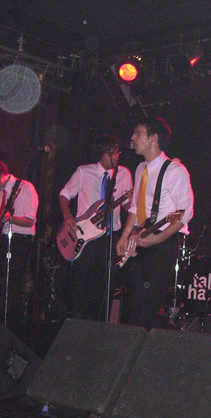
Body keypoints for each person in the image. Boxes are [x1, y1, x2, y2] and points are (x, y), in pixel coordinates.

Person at [116, 117, 194, 329]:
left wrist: (157, 239)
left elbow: (185, 213)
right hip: (140, 241)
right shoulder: (140, 168)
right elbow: (135, 208)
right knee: (135, 304)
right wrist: (124, 236)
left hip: (162, 244)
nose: (132, 137)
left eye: (138, 133)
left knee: (148, 305)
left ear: (153, 138)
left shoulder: (175, 171)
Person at [59, 134, 133, 320]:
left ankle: (100, 327)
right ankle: (79, 325)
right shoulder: (83, 172)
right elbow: (64, 194)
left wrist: (131, 202)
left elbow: (127, 207)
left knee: (106, 287)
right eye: (112, 153)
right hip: (86, 238)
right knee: (83, 286)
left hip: (111, 236)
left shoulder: (124, 174)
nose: (116, 156)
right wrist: (67, 215)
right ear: (101, 154)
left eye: (117, 152)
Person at [0, 160, 39, 335]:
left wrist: (11, 219)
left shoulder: (25, 188)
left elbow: (30, 221)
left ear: (2, 176)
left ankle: (12, 329)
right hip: (1, 241)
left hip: (21, 240)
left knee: (13, 285)